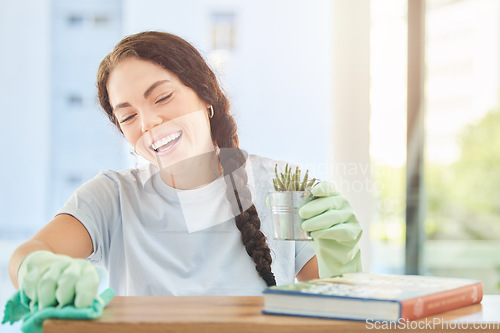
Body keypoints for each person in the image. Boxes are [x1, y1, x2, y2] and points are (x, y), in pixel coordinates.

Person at [8, 31, 362, 309]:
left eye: (162, 97)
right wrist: (35, 270)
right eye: (128, 116)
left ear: (205, 96)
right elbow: (30, 253)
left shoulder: (280, 185)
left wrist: (342, 259)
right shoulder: (112, 197)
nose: (148, 123)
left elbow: (338, 308)